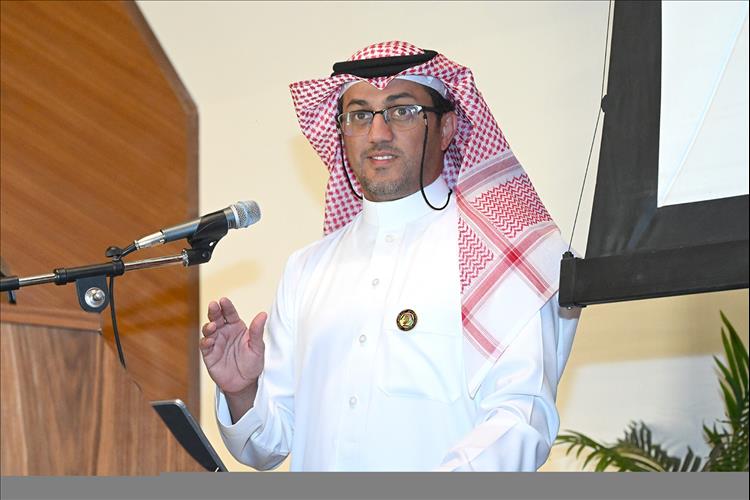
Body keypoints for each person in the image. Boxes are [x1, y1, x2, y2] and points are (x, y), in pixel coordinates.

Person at [199, 41, 580, 471]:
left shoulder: (505, 252)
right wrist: (242, 391)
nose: (378, 133)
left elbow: (521, 417)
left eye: (402, 111)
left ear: (447, 128)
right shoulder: (308, 268)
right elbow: (269, 445)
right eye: (360, 115)